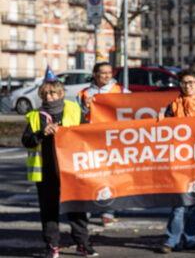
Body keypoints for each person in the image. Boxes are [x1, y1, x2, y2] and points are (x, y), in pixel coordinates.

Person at [21, 66, 98, 258]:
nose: (48, 97)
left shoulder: (73, 109)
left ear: (61, 93)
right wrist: (41, 133)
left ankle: (82, 243)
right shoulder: (35, 116)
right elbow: (27, 141)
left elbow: (87, 134)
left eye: (52, 93)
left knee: (77, 209)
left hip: (71, 170)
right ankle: (52, 246)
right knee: (49, 211)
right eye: (45, 93)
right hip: (46, 171)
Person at [156, 69, 195, 254]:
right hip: (180, 160)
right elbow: (165, 132)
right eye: (184, 83)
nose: (187, 86)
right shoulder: (173, 105)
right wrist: (161, 121)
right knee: (179, 203)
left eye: (191, 82)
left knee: (194, 202)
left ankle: (191, 239)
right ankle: (172, 240)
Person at [77, 62, 124, 227]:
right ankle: (87, 209)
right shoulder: (83, 93)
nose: (107, 76)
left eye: (109, 73)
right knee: (90, 175)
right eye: (103, 73)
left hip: (113, 140)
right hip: (91, 140)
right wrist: (85, 107)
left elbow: (136, 107)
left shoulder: (121, 91)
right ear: (95, 74)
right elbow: (77, 118)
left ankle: (108, 211)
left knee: (110, 176)